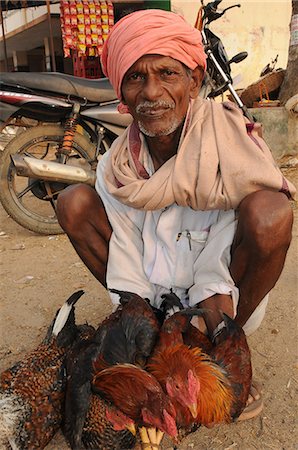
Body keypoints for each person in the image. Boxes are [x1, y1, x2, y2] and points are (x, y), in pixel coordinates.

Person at [56, 9, 295, 420]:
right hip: (153, 286)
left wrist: (206, 327)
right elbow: (126, 246)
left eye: (167, 73)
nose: (152, 92)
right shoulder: (118, 166)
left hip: (221, 286)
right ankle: (148, 327)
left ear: (194, 82)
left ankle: (230, 347)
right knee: (72, 202)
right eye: (136, 77)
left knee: (271, 213)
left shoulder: (229, 144)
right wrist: (142, 325)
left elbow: (226, 236)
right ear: (122, 94)